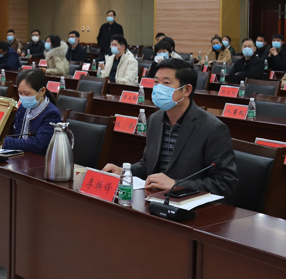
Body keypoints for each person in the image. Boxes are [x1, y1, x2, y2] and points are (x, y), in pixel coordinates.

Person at [0, 69, 63, 275]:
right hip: (18, 163)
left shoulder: (51, 113)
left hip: (39, 172)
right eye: (20, 93)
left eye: (27, 94)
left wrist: (1, 141)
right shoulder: (23, 107)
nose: (22, 97)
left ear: (42, 91)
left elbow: (38, 144)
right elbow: (14, 132)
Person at [102, 58, 238, 196]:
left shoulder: (213, 128)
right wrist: (125, 171)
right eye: (156, 82)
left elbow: (225, 183)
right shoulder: (154, 120)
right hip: (155, 198)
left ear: (187, 90)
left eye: (166, 83)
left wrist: (176, 184)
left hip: (188, 203)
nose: (158, 88)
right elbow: (148, 164)